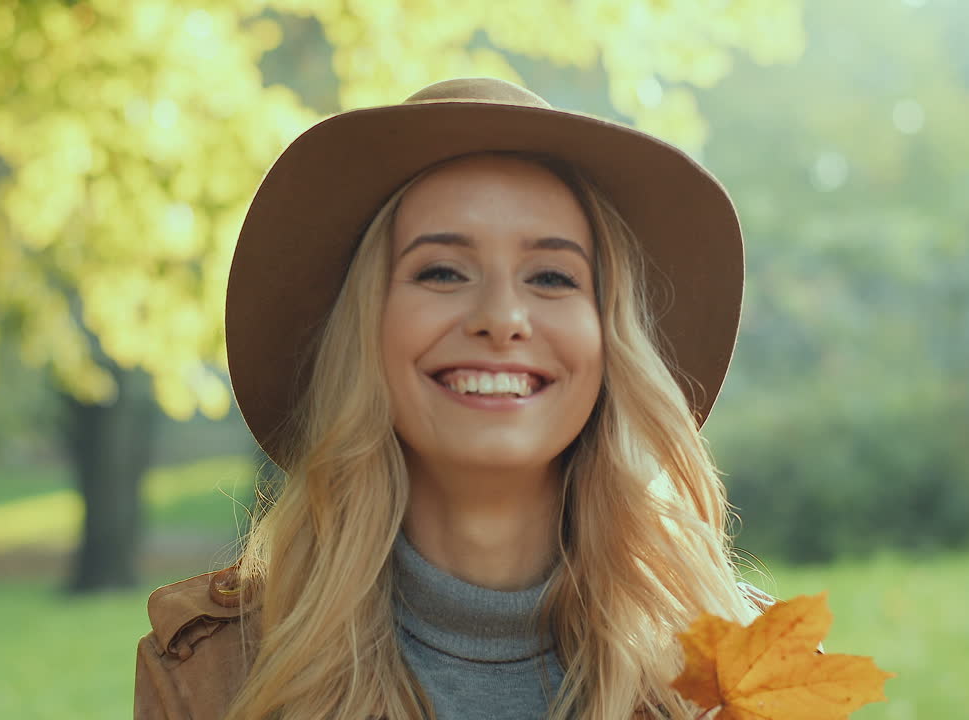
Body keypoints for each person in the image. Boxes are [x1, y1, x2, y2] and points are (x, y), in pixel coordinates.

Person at [134, 77, 774, 720]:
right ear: (367, 331)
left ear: (611, 341)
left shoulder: (755, 677)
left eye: (552, 276)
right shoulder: (212, 675)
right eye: (441, 271)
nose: (501, 317)